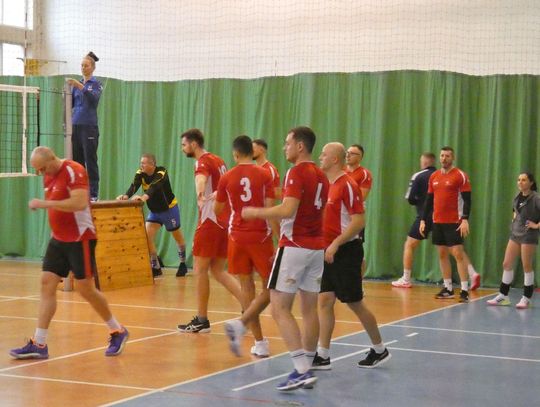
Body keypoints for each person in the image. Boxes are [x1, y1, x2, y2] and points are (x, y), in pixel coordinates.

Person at [9, 147, 128, 360]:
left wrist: (45, 204)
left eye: (42, 168)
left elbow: (79, 202)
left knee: (86, 289)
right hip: (59, 239)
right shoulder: (48, 175)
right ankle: (39, 343)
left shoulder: (74, 170)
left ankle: (117, 330)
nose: (40, 173)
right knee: (47, 283)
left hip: (80, 238)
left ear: (52, 159)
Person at [242, 126, 329, 391]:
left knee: (279, 308)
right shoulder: (322, 175)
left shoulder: (297, 171)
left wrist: (255, 212)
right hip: (316, 248)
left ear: (300, 146)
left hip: (294, 246)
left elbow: (289, 209)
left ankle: (301, 370)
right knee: (309, 309)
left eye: (287, 143)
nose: (284, 147)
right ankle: (308, 363)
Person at [313, 142, 390, 371]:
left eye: (324, 154)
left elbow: (359, 221)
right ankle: (323, 355)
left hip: (346, 251)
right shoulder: (326, 184)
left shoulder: (347, 184)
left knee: (355, 302)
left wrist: (336, 244)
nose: (320, 157)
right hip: (327, 251)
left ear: (335, 159)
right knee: (324, 300)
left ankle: (379, 349)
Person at [177, 129, 242, 333]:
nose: (182, 149)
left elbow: (201, 178)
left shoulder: (202, 162)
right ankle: (250, 306)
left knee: (199, 269)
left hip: (210, 221)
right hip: (224, 221)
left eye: (184, 145)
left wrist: (199, 192)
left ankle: (202, 320)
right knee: (218, 270)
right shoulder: (219, 160)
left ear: (194, 144)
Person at [217, 135, 275, 358]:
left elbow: (217, 209)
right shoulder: (265, 174)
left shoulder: (227, 177)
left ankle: (259, 343)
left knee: (247, 288)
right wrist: (279, 238)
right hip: (260, 236)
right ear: (252, 152)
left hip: (237, 236)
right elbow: (270, 209)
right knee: (272, 288)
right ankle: (242, 325)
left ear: (235, 154)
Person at [392, 153, 481, 289]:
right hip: (442, 217)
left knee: (409, 244)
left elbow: (410, 198)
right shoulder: (437, 175)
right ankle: (472, 273)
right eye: (442, 156)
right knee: (454, 248)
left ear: (424, 162)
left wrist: (420, 205)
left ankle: (406, 278)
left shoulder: (420, 176)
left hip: (428, 216)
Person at [116, 153, 188, 278]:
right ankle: (156, 267)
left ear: (152, 164)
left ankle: (182, 264)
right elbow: (134, 185)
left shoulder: (161, 172)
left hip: (169, 209)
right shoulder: (140, 173)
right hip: (155, 212)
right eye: (141, 163)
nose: (141, 165)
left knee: (177, 237)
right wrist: (126, 196)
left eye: (143, 163)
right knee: (146, 236)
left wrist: (143, 198)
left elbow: (154, 187)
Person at [420, 146, 472, 303]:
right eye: (442, 155)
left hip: (454, 221)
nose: (444, 158)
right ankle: (448, 288)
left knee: (458, 254)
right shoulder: (434, 176)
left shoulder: (460, 175)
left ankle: (464, 290)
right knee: (442, 253)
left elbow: (467, 199)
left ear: (452, 158)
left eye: (447, 156)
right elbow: (429, 200)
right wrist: (423, 220)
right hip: (438, 221)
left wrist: (465, 219)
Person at [487, 172, 540, 309]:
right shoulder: (517, 196)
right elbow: (515, 211)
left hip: (528, 235)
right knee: (507, 263)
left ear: (531, 183)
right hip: (515, 234)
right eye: (519, 180)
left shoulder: (536, 198)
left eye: (524, 180)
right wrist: (514, 220)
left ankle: (526, 298)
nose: (520, 182)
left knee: (526, 266)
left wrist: (536, 225)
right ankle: (503, 296)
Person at [66, 51, 103, 201]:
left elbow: (93, 99)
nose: (83, 68)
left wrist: (80, 86)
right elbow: (70, 105)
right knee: (77, 162)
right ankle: (80, 192)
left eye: (86, 65)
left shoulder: (96, 84)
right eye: (82, 65)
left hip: (89, 127)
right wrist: (65, 94)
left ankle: (93, 194)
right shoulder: (76, 86)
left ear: (92, 67)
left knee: (90, 160)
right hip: (75, 126)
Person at [346, 144, 372, 276]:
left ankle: (359, 281)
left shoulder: (364, 174)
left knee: (356, 249)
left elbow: (361, 197)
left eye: (352, 153)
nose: (348, 155)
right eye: (347, 152)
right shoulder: (340, 171)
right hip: (338, 216)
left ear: (360, 157)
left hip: (354, 216)